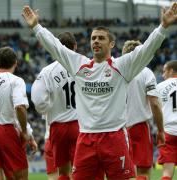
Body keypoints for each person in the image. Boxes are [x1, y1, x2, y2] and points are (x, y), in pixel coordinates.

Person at [22, 3, 177, 179]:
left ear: (111, 44)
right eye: (93, 38)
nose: (96, 40)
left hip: (114, 137)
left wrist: (163, 27)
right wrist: (36, 26)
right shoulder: (79, 65)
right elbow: (55, 47)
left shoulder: (122, 66)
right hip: (86, 138)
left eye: (101, 38)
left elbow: (147, 49)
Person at [31, 32, 79, 180]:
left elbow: (38, 101)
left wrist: (48, 108)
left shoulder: (47, 71)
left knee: (63, 173)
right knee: (81, 171)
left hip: (58, 126)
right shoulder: (84, 65)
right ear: (75, 47)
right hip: (81, 125)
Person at [122, 40, 165, 180]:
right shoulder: (146, 73)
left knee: (121, 173)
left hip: (117, 129)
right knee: (143, 173)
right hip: (139, 127)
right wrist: (160, 130)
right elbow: (155, 103)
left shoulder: (115, 71)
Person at [0, 47, 29, 180]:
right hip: (5, 130)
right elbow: (20, 107)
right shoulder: (16, 80)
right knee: (20, 176)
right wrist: (24, 131)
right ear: (15, 63)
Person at [156, 60, 177, 180]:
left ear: (171, 71)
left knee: (167, 174)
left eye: (164, 71)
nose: (163, 75)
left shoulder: (159, 87)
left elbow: (154, 108)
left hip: (168, 132)